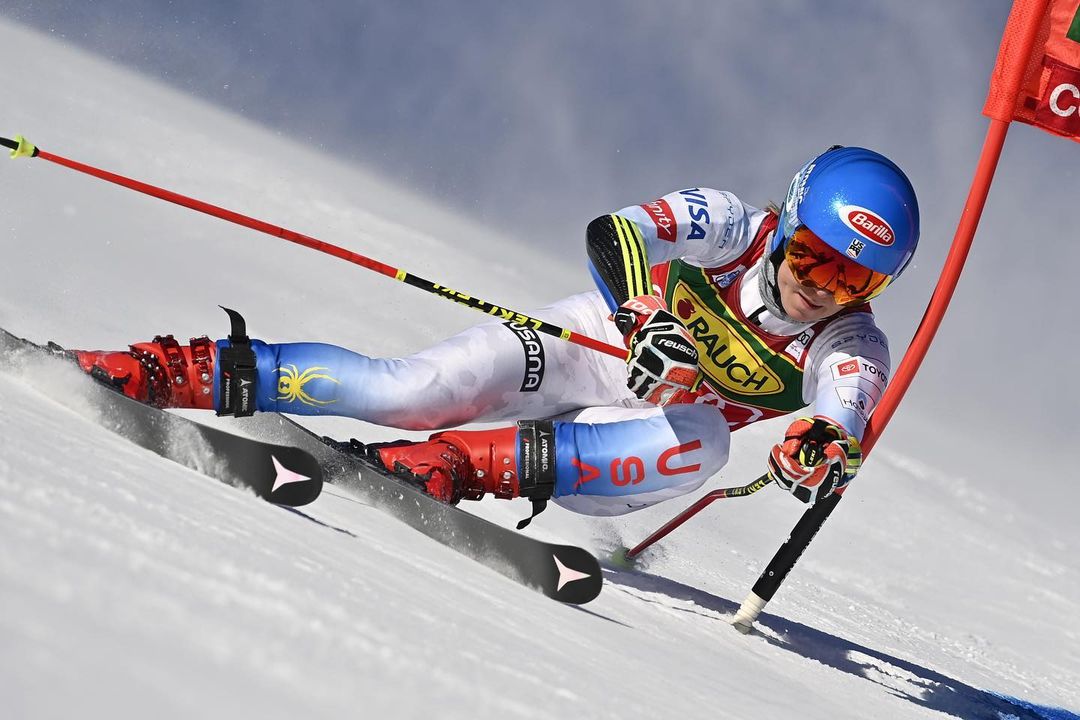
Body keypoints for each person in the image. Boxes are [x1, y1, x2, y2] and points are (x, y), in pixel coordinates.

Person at [71, 145, 919, 525]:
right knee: (408, 391)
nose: (821, 284)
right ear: (790, 222)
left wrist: (820, 442)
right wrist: (638, 314)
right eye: (813, 253)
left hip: (634, 442)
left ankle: (455, 467)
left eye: (856, 277)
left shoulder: (852, 342)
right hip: (594, 343)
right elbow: (615, 233)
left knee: (705, 447)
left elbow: (844, 409)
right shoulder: (734, 225)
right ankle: (166, 371)